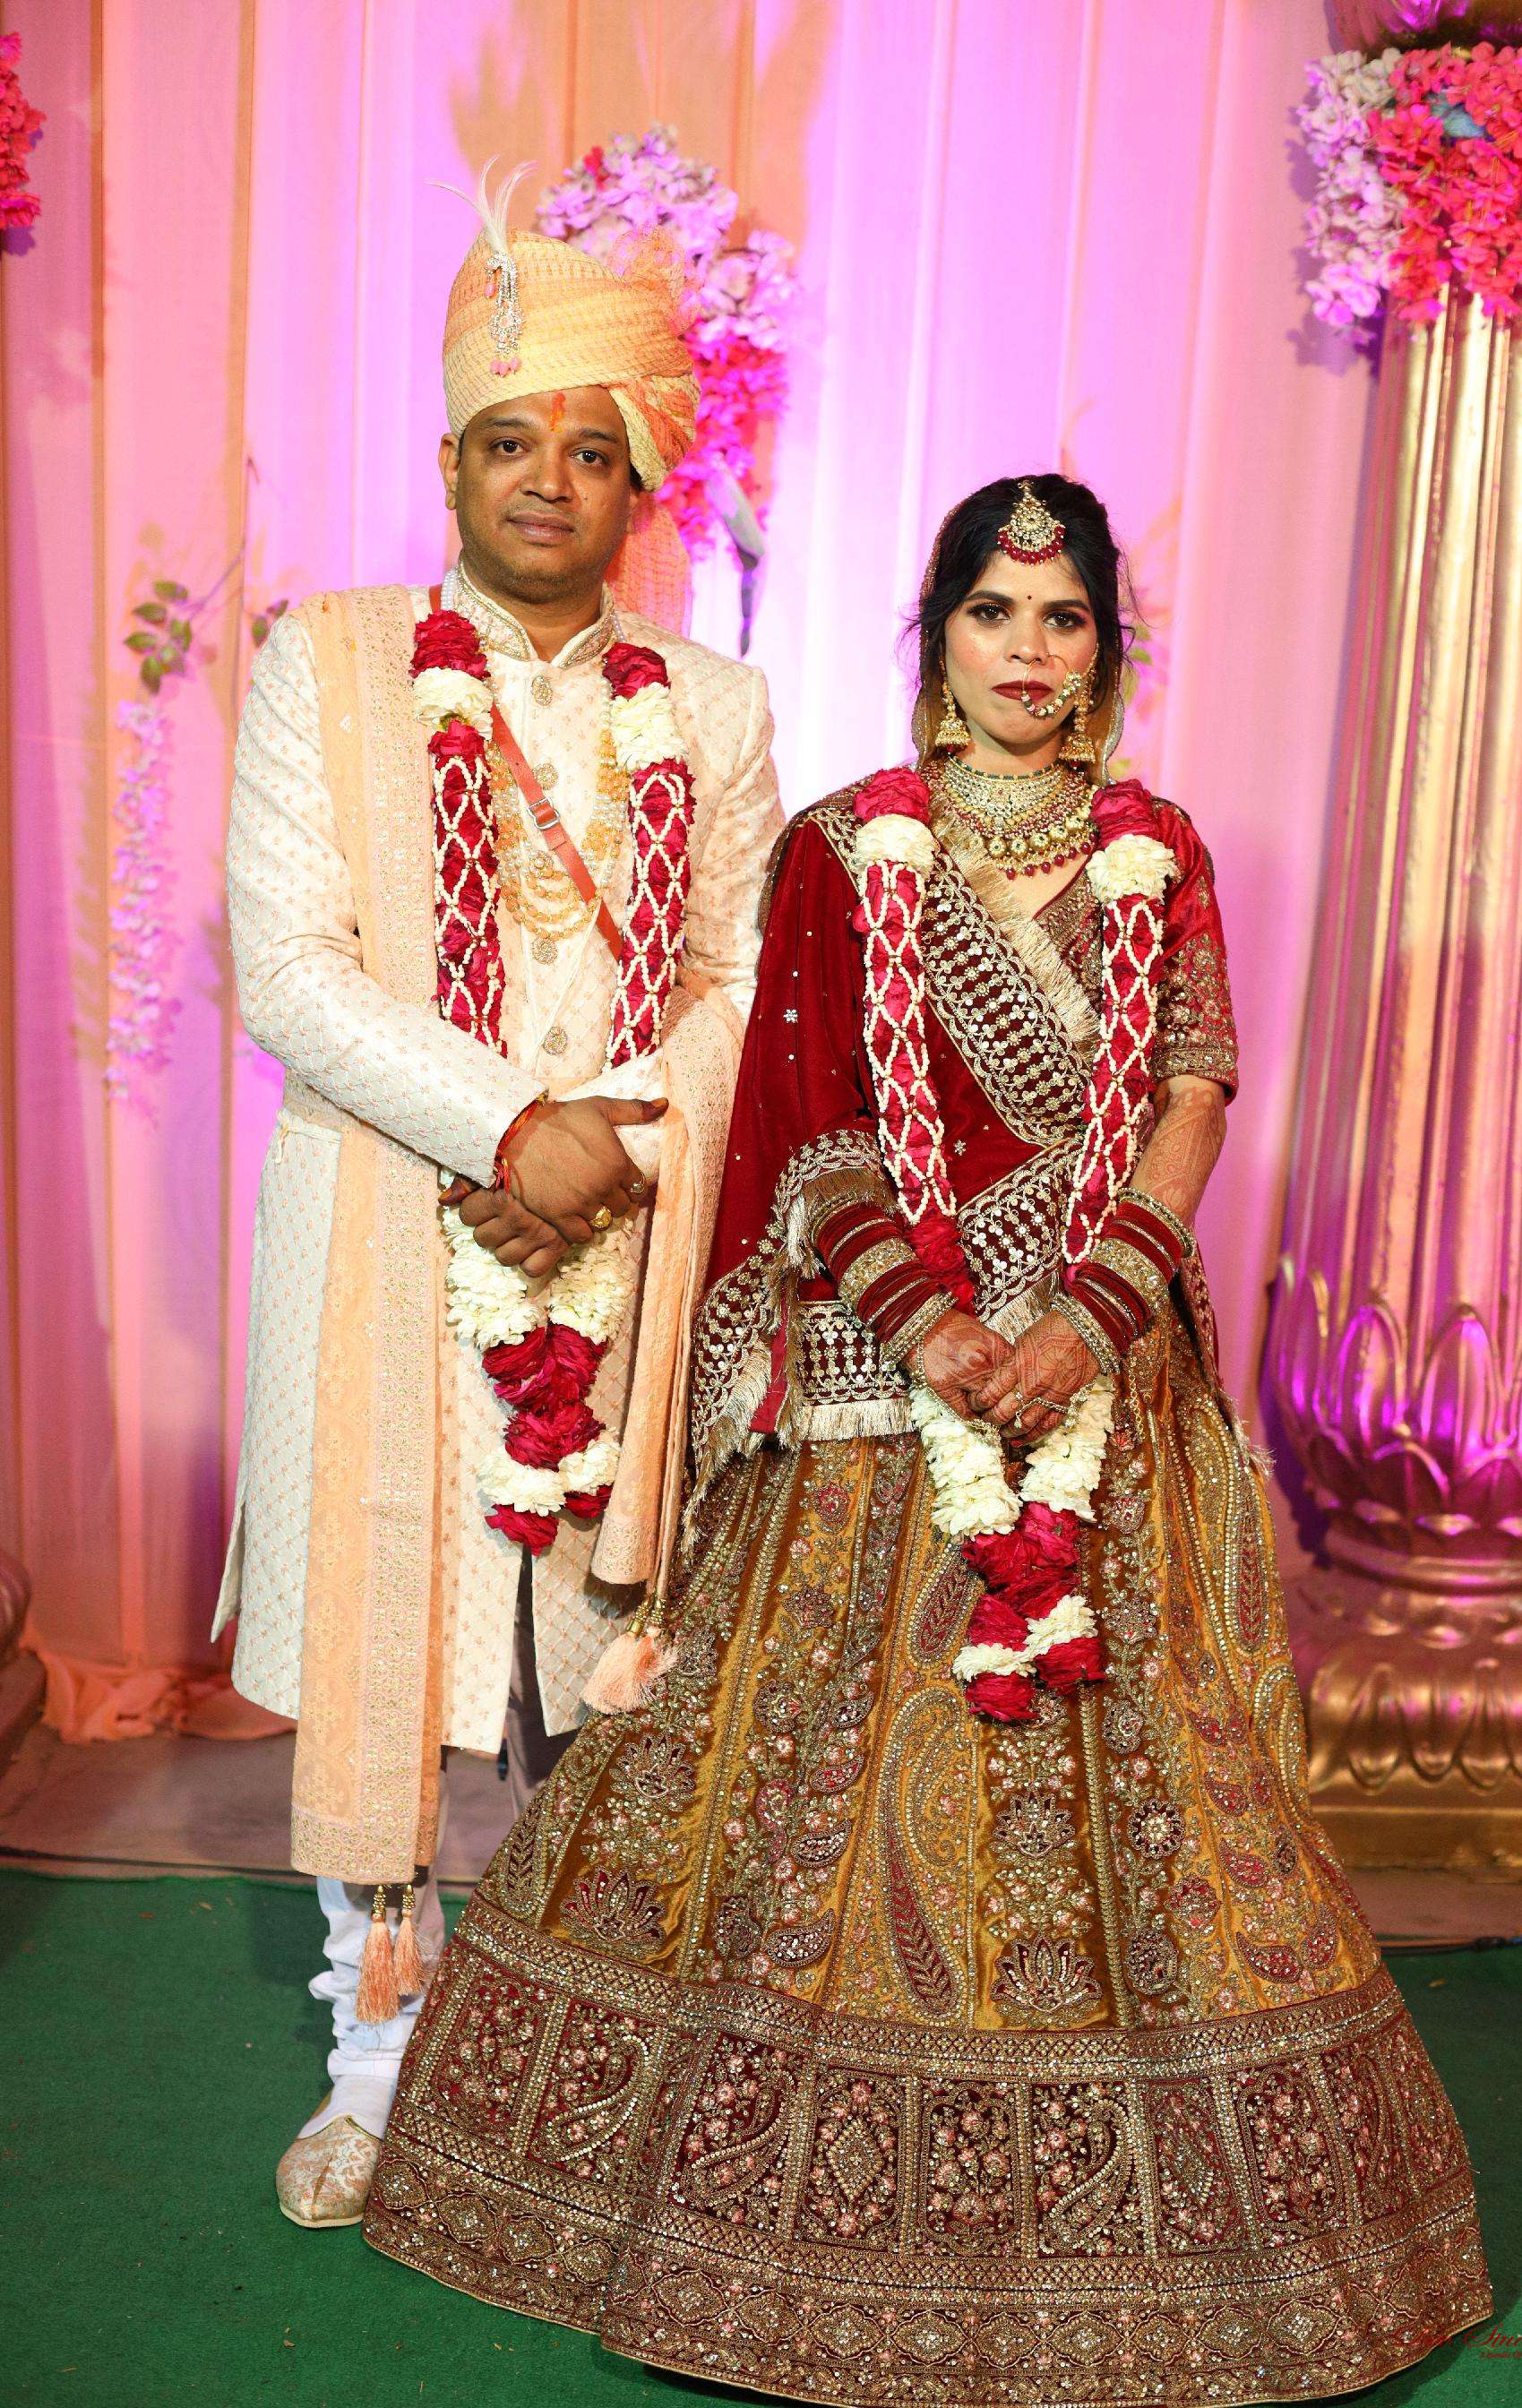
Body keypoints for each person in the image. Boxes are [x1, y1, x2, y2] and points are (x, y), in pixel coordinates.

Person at [364, 475, 1492, 2404]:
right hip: (888, 1383)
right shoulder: (842, 847)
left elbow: (1194, 1094)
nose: (1026, 653)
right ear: (937, 631)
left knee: (1156, 1796)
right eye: (991, 612)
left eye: (1062, 619)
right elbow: (810, 1122)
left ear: (1105, 649)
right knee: (809, 1789)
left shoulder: (1157, 849)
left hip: (1100, 1369)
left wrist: (1087, 1315)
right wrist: (939, 1325)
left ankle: (1169, 2242)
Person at [216, 168, 783, 2228]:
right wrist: (504, 1125)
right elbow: (289, 968)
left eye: (589, 446)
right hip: (385, 1228)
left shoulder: (713, 707)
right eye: (507, 439)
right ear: (449, 459)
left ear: (639, 480)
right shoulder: (328, 662)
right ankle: (373, 2073)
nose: (547, 477)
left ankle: (564, 2068)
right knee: (392, 1648)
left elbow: (737, 975)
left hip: (625, 1238)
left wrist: (604, 1144)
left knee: (588, 1669)